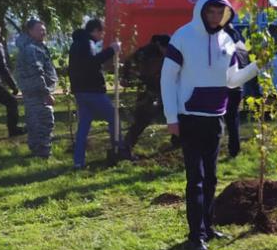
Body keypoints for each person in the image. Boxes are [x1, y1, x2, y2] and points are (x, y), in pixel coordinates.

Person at [161, 0, 260, 250]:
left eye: (220, 12)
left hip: (216, 118)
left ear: (226, 14)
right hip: (190, 118)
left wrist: (257, 66)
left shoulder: (228, 41)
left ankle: (208, 227)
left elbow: (232, 81)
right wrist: (171, 118)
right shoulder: (183, 37)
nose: (215, 17)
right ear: (201, 12)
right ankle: (195, 236)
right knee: (196, 179)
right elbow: (167, 78)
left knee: (212, 178)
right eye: (211, 12)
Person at [67, 18, 123, 169]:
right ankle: (119, 150)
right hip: (92, 90)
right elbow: (93, 62)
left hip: (79, 90)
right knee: (114, 117)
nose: (102, 36)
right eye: (102, 32)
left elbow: (84, 65)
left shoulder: (76, 44)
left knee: (84, 126)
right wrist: (112, 50)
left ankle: (78, 161)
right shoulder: (87, 43)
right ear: (96, 31)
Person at [14, 19, 58, 159]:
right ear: (30, 31)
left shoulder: (33, 47)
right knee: (44, 122)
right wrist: (46, 93)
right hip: (38, 92)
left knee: (34, 121)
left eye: (44, 30)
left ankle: (36, 151)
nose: (43, 32)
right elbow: (36, 72)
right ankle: (44, 153)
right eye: (39, 30)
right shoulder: (32, 49)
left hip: (32, 92)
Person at [123, 34, 172, 152]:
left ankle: (127, 145)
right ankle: (126, 145)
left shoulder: (149, 53)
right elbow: (130, 62)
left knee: (143, 119)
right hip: (150, 90)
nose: (166, 51)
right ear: (159, 45)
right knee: (143, 118)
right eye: (165, 48)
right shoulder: (148, 54)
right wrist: (126, 77)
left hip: (155, 88)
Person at [222, 24, 248, 158]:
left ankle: (215, 147)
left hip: (226, 86)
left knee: (218, 118)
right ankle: (234, 149)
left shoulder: (227, 48)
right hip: (239, 87)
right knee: (233, 119)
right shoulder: (242, 46)